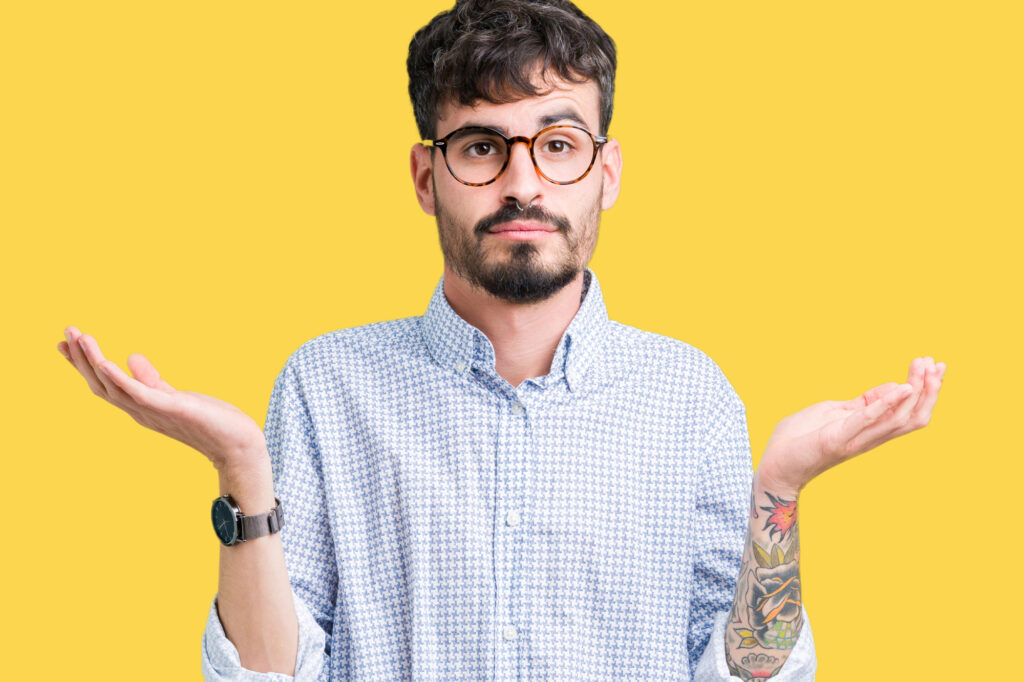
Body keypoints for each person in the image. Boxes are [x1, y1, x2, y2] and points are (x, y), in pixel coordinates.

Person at [57, 1, 946, 679]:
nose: (524, 183)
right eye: (482, 146)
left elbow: (747, 675)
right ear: (425, 173)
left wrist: (781, 492)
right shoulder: (327, 385)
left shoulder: (692, 395)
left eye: (558, 143)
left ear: (606, 171)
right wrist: (243, 474)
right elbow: (271, 675)